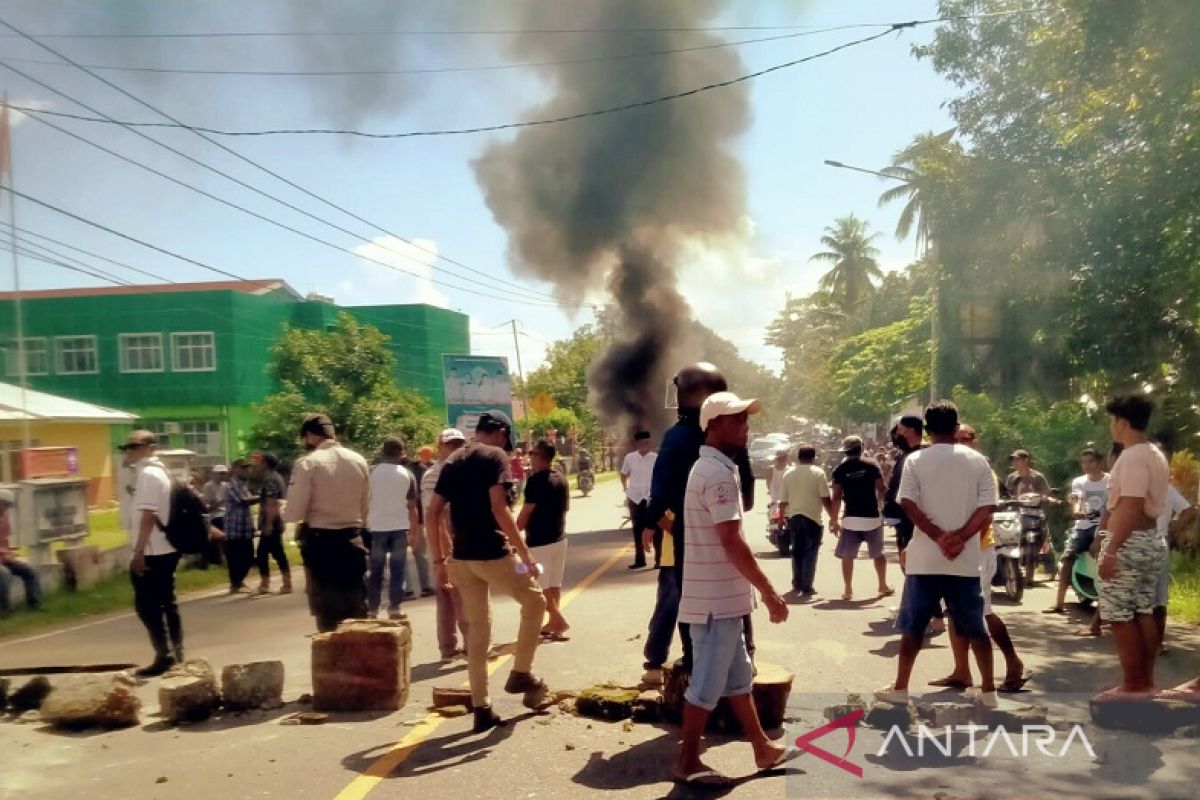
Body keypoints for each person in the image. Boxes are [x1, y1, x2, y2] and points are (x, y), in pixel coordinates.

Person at [674, 392, 791, 787]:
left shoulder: (712, 468)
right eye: (736, 419)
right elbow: (732, 541)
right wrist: (770, 591)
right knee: (705, 685)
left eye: (745, 418)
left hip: (720, 598)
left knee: (738, 680)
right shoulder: (717, 475)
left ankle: (761, 746)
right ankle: (688, 760)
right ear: (713, 425)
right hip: (715, 603)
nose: (745, 425)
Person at [427, 410, 548, 733]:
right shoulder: (494, 455)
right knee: (535, 604)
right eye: (506, 438)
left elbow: (434, 512)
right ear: (499, 432)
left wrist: (439, 562)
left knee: (479, 634)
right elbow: (500, 508)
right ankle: (521, 672)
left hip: (461, 560)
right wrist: (525, 555)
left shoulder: (452, 461)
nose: (505, 445)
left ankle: (481, 707)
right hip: (492, 554)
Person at [876, 401, 999, 708]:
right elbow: (988, 507)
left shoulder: (916, 460)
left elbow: (908, 504)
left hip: (925, 559)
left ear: (927, 430)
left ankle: (901, 688)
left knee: (914, 627)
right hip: (966, 560)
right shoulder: (979, 461)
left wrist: (938, 537)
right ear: (956, 428)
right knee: (976, 628)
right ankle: (988, 692)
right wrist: (959, 538)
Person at [642, 362, 728, 688]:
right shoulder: (727, 433)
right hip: (723, 533)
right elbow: (744, 492)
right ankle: (740, 655)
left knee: (681, 599)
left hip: (683, 537)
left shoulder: (677, 436)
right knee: (727, 599)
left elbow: (660, 492)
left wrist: (657, 519)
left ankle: (687, 661)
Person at [930, 423, 1029, 693]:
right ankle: (961, 671)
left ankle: (1013, 662)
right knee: (954, 611)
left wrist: (961, 541)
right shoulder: (949, 470)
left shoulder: (983, 471)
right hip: (953, 550)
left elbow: (985, 516)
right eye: (956, 438)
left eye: (967, 438)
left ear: (976, 441)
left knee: (981, 613)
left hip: (977, 550)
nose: (961, 442)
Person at [1095, 394, 1170, 700]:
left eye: (1113, 421)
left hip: (1130, 542)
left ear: (1123, 423)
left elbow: (1130, 506)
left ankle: (1133, 684)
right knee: (1143, 610)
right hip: (1150, 542)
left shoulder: (1133, 456)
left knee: (1118, 614)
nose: (1111, 427)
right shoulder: (1155, 453)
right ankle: (1146, 682)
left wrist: (1111, 550)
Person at [282, 414, 371, 633]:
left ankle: (335, 664)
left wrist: (281, 509)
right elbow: (366, 507)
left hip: (321, 546)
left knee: (328, 616)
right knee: (356, 610)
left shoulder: (307, 464)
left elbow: (294, 512)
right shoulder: (358, 460)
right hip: (353, 541)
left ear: (311, 436)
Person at [119, 430, 184, 677]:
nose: (129, 451)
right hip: (164, 547)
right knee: (166, 601)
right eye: (127, 447)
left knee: (147, 605)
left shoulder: (148, 474)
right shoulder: (160, 472)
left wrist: (138, 552)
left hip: (153, 549)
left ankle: (164, 655)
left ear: (149, 448)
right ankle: (175, 653)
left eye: (134, 446)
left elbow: (148, 516)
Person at [421, 428, 469, 662]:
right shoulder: (434, 475)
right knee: (455, 594)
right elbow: (435, 517)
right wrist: (443, 555)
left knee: (457, 594)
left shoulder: (462, 470)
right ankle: (459, 645)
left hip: (461, 540)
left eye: (458, 444)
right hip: (444, 543)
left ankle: (456, 645)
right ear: (440, 446)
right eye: (450, 445)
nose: (455, 449)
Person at [1044, 448, 1109, 615]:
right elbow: (1077, 497)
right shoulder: (1079, 481)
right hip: (1083, 526)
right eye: (1084, 462)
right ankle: (1059, 602)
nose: (1087, 465)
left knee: (1108, 558)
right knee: (1067, 558)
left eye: (1091, 461)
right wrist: (1077, 509)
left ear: (1099, 462)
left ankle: (1107, 603)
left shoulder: (1110, 481)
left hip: (1105, 526)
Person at [518, 440, 571, 640]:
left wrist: (513, 535)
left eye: (532, 453)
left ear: (540, 457)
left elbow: (526, 511)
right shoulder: (561, 477)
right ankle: (552, 624)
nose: (529, 456)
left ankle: (558, 620)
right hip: (559, 537)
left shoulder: (536, 480)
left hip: (540, 541)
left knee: (539, 586)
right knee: (553, 584)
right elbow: (566, 508)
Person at [830, 435, 892, 601]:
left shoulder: (839, 469)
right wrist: (884, 506)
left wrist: (833, 520)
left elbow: (836, 497)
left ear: (845, 450)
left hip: (850, 519)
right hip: (872, 517)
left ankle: (848, 589)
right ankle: (882, 585)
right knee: (878, 554)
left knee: (847, 556)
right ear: (862, 447)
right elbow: (881, 488)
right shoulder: (872, 464)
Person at [367, 437, 422, 620]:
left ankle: (372, 608)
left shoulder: (372, 472)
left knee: (376, 570)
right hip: (400, 526)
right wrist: (414, 532)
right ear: (401, 453)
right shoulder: (407, 474)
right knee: (398, 568)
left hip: (377, 526)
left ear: (383, 452)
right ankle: (395, 608)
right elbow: (412, 507)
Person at [778, 445, 832, 597]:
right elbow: (825, 498)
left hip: (794, 517)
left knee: (796, 551)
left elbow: (783, 500)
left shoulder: (789, 474)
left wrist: (781, 518)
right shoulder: (818, 473)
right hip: (813, 519)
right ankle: (807, 585)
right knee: (810, 552)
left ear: (798, 457)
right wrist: (833, 516)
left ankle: (797, 583)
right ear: (813, 458)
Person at [0, 488, 43, 616]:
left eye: (7, 506)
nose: (6, 508)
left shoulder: (4, 518)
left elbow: (4, 541)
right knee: (4, 575)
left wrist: (9, 554)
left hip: (3, 558)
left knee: (30, 571)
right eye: (4, 504)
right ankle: (3, 610)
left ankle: (34, 605)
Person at [254, 451, 292, 595]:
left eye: (260, 461)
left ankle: (266, 584)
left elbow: (271, 503)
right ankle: (286, 582)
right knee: (277, 552)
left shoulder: (270, 480)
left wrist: (268, 524)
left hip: (272, 521)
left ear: (266, 463)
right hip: (277, 520)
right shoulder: (278, 478)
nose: (258, 464)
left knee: (262, 553)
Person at [885, 416, 925, 550]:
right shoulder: (905, 455)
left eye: (900, 430)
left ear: (910, 431)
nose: (897, 435)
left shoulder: (920, 456)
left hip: (913, 521)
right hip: (903, 520)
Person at [621, 431, 658, 569]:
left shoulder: (655, 458)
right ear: (637, 444)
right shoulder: (630, 458)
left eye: (648, 442)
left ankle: (659, 560)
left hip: (650, 497)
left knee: (655, 529)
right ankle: (640, 560)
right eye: (643, 443)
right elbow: (623, 474)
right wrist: (625, 489)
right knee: (637, 530)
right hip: (635, 498)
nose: (646, 446)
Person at [222, 459, 259, 594]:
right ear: (235, 469)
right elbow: (243, 501)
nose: (246, 471)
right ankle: (235, 583)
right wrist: (262, 497)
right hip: (233, 528)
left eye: (247, 468)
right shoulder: (230, 486)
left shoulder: (244, 485)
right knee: (234, 557)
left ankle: (238, 581)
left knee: (248, 556)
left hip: (244, 528)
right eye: (243, 468)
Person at [201, 465, 229, 533]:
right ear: (214, 474)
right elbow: (207, 507)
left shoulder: (226, 485)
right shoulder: (208, 486)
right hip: (216, 515)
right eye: (220, 473)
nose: (222, 475)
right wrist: (219, 502)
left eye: (223, 473)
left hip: (227, 514)